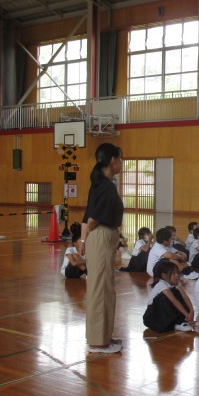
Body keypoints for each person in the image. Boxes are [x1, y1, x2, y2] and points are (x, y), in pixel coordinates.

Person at [80, 143, 125, 354]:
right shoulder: (105, 186)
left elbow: (88, 215)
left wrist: (83, 241)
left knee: (105, 288)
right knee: (100, 289)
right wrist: (86, 238)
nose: (121, 163)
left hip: (103, 238)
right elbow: (92, 219)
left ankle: (103, 336)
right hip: (101, 237)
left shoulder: (102, 183)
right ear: (113, 160)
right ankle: (98, 341)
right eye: (120, 159)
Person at [143, 260, 196, 333]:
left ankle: (182, 321)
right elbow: (174, 301)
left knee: (177, 293)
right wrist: (187, 314)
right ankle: (174, 324)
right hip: (153, 316)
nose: (177, 275)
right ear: (164, 276)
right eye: (173, 273)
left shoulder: (176, 283)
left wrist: (191, 311)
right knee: (163, 297)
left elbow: (185, 297)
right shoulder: (161, 285)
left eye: (177, 272)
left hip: (165, 312)